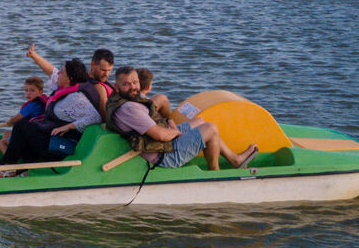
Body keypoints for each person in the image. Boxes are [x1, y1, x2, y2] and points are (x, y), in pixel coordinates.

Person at [105, 66, 258, 171]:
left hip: (162, 143)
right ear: (116, 87)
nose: (132, 87)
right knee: (210, 129)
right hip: (163, 156)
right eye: (126, 84)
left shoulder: (130, 97)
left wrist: (171, 123)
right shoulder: (129, 109)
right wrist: (175, 133)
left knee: (200, 122)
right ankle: (215, 173)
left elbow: (154, 112)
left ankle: (234, 159)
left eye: (135, 82)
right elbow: (160, 135)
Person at [0, 58, 101, 174]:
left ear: (70, 79)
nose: (58, 73)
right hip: (51, 137)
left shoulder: (76, 98)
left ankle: (8, 167)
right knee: (23, 130)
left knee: (21, 126)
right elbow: (51, 71)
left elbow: (95, 117)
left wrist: (69, 126)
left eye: (61, 72)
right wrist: (33, 55)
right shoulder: (62, 89)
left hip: (58, 146)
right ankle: (18, 167)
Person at [26, 43, 113, 117]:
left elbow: (105, 115)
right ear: (93, 64)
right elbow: (53, 72)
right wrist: (34, 55)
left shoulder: (98, 87)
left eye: (109, 70)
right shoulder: (85, 81)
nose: (106, 74)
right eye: (103, 70)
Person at [0, 76, 47, 156]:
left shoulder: (31, 105)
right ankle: (16, 157)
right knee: (6, 134)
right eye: (26, 90)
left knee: (1, 143)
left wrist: (9, 122)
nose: (28, 93)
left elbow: (15, 119)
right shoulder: (42, 103)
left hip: (31, 139)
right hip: (37, 135)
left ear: (41, 92)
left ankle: (9, 162)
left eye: (32, 91)